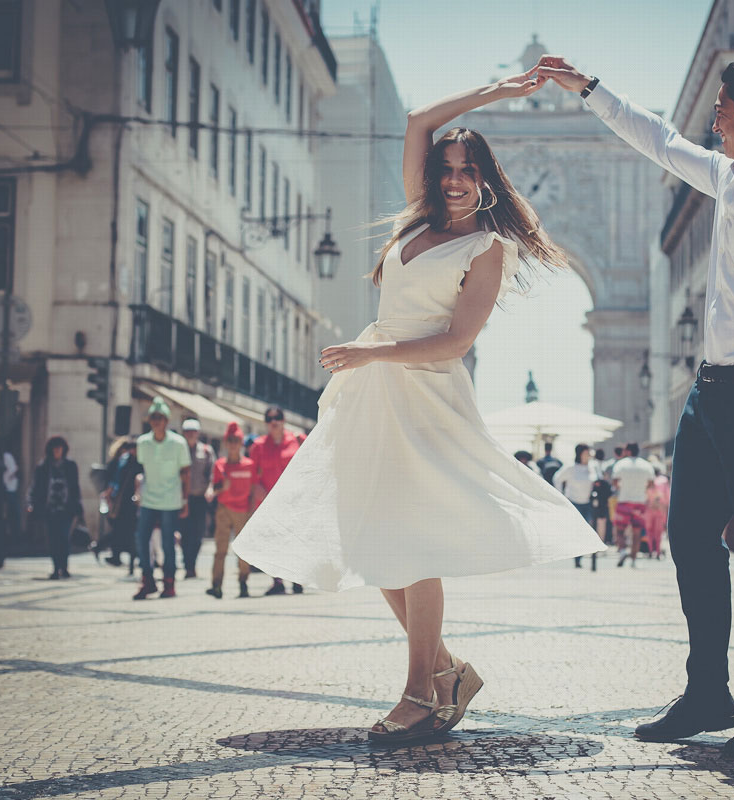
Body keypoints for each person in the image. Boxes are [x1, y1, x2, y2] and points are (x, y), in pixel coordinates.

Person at [232, 71, 602, 746]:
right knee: (374, 538)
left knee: (411, 543)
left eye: (467, 169)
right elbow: (416, 122)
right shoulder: (418, 219)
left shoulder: (489, 246)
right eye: (447, 168)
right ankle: (447, 672)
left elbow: (458, 340)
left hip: (423, 391)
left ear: (485, 178)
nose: (455, 178)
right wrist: (495, 92)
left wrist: (373, 354)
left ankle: (418, 693)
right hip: (372, 390)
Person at [538, 54, 734, 757]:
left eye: (724, 108)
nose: (714, 119)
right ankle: (708, 690)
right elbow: (661, 140)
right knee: (688, 538)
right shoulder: (732, 177)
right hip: (709, 392)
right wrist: (591, 90)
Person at [132, 398, 191, 600]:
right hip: (148, 499)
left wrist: (185, 501)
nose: (156, 421)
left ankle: (169, 582)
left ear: (166, 420)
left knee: (168, 542)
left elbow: (185, 473)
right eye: (153, 418)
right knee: (141, 539)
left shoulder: (178, 443)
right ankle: (147, 580)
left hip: (170, 499)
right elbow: (141, 470)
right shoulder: (142, 443)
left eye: (160, 418)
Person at [250, 407, 304, 596]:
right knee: (273, 543)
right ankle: (278, 581)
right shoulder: (258, 446)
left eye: (278, 418)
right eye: (270, 419)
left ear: (284, 420)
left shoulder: (297, 440)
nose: (274, 422)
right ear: (266, 422)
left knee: (295, 541)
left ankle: (298, 579)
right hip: (269, 502)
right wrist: (266, 499)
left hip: (294, 501)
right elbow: (253, 477)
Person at [207, 421, 256, 599]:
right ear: (226, 443)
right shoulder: (220, 465)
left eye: (237, 440)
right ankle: (216, 585)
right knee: (220, 549)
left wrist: (251, 513)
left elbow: (253, 490)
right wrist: (222, 488)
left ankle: (243, 583)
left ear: (241, 443)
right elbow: (214, 488)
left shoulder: (249, 465)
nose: (234, 444)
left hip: (242, 511)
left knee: (242, 550)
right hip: (223, 509)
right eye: (230, 440)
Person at [26, 436, 84, 580]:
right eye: (55, 448)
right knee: (52, 539)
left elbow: (75, 487)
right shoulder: (43, 466)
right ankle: (55, 568)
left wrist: (78, 506)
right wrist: (31, 503)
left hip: (66, 509)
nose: (57, 451)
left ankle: (63, 567)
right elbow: (35, 487)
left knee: (64, 538)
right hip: (49, 509)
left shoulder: (70, 466)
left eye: (60, 448)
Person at [178, 419, 215, 580]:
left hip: (200, 499)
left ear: (198, 433)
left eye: (193, 431)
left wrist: (210, 490)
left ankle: (192, 564)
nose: (191, 434)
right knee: (184, 534)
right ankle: (188, 565)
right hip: (183, 499)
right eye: (187, 431)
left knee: (198, 533)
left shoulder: (206, 451)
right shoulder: (179, 451)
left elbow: (212, 474)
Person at [554, 444, 601, 569]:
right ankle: (577, 557)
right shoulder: (571, 468)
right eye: (586, 453)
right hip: (574, 502)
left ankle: (579, 555)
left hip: (588, 503)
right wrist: (561, 495)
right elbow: (557, 478)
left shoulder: (593, 467)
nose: (588, 455)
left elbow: (598, 481)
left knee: (586, 531)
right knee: (577, 530)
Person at [612, 443, 656, 568]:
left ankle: (623, 551)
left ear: (628, 451)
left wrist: (623, 487)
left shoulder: (621, 464)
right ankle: (633, 559)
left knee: (620, 530)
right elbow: (651, 484)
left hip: (624, 500)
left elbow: (615, 481)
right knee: (637, 532)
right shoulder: (646, 465)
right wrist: (642, 490)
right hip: (640, 502)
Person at [101, 437, 139, 569]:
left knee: (129, 530)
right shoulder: (123, 461)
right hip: (123, 501)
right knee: (121, 529)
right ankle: (117, 556)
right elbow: (115, 479)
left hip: (138, 501)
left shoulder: (141, 461)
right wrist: (110, 494)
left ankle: (133, 558)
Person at [645, 456, 671, 560]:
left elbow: (644, 495)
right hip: (661, 508)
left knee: (650, 530)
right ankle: (658, 551)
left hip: (649, 508)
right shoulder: (664, 480)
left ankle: (652, 551)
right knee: (658, 532)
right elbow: (667, 495)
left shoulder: (648, 481)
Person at [2, 448, 20, 539]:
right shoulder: (6, 456)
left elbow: (14, 469)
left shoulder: (6, 456)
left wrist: (6, 480)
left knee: (11, 512)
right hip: (8, 488)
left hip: (10, 488)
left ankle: (14, 534)